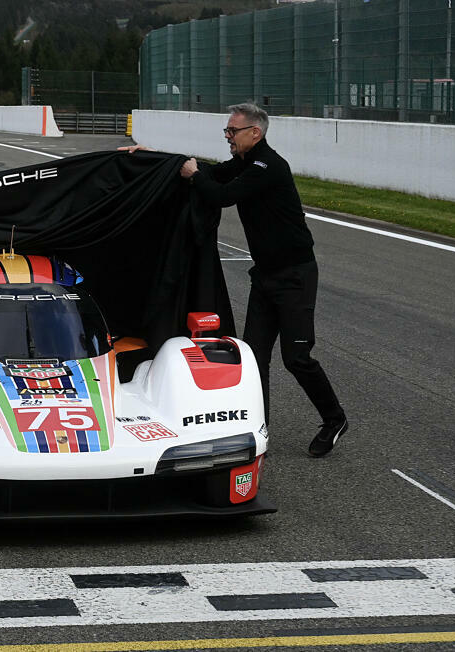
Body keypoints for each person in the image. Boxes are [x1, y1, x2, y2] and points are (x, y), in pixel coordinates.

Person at [120, 102, 348, 457]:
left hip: (295, 276)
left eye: (232, 131)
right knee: (255, 359)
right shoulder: (245, 162)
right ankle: (260, 431)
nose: (227, 136)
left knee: (297, 357)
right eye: (227, 131)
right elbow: (211, 171)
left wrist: (195, 175)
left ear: (254, 133)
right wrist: (160, 159)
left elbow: (220, 194)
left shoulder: (268, 166)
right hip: (266, 275)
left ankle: (334, 419)